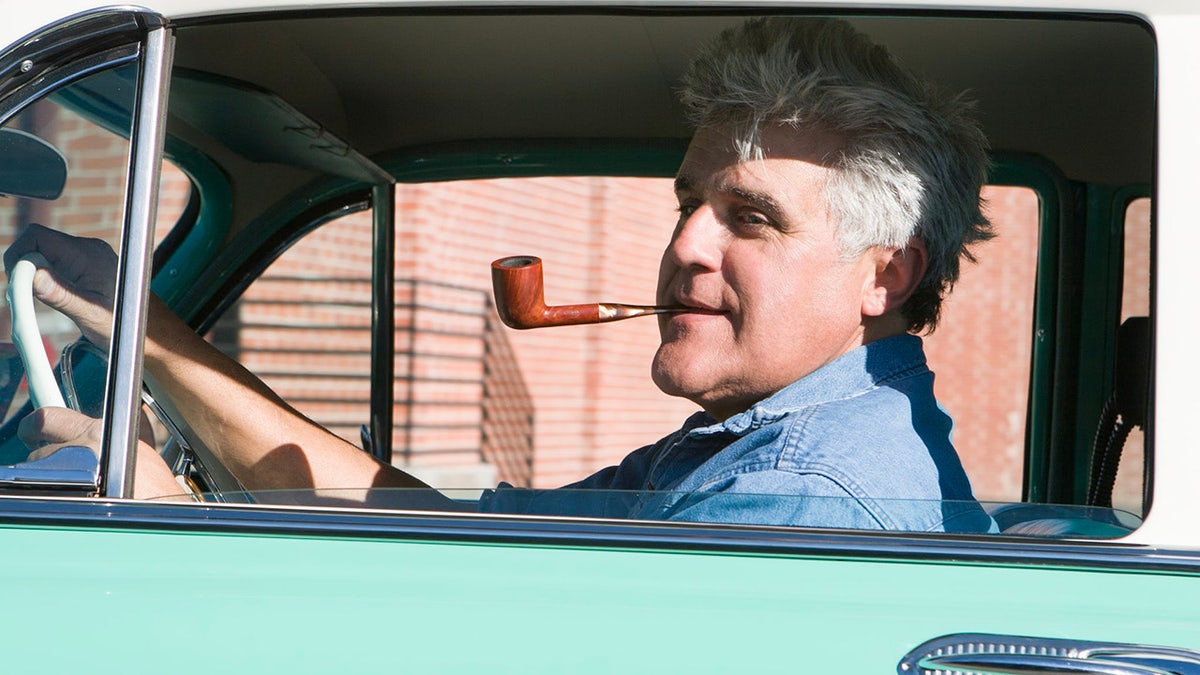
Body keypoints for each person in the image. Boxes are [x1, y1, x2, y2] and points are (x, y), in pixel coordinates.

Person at [5, 17, 996, 532]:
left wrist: (169, 528)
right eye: (689, 203)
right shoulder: (748, 445)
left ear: (885, 275)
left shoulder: (799, 493)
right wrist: (150, 333)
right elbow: (429, 532)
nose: (687, 245)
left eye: (752, 218)